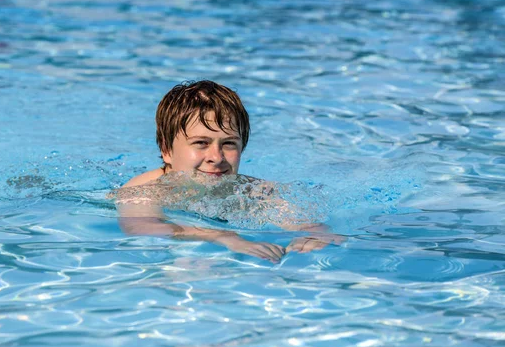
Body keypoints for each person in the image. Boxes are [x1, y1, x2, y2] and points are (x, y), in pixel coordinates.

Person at [116, 80, 343, 263]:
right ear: (167, 151)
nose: (217, 157)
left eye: (229, 144)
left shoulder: (251, 191)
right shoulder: (144, 192)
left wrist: (315, 234)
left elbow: (305, 223)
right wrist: (222, 236)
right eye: (201, 143)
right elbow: (143, 228)